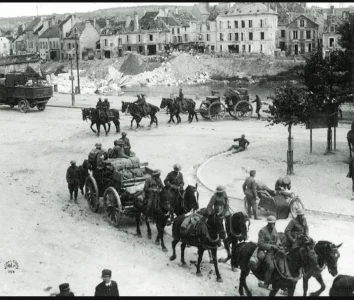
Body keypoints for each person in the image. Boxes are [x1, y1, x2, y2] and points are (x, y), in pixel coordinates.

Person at [258, 216, 283, 290]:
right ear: (268, 223)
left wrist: (279, 243)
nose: (272, 225)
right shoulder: (262, 231)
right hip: (267, 251)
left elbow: (277, 238)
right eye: (271, 224)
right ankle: (266, 283)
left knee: (283, 263)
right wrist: (271, 246)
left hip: (276, 250)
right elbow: (260, 243)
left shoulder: (274, 229)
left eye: (274, 223)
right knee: (271, 266)